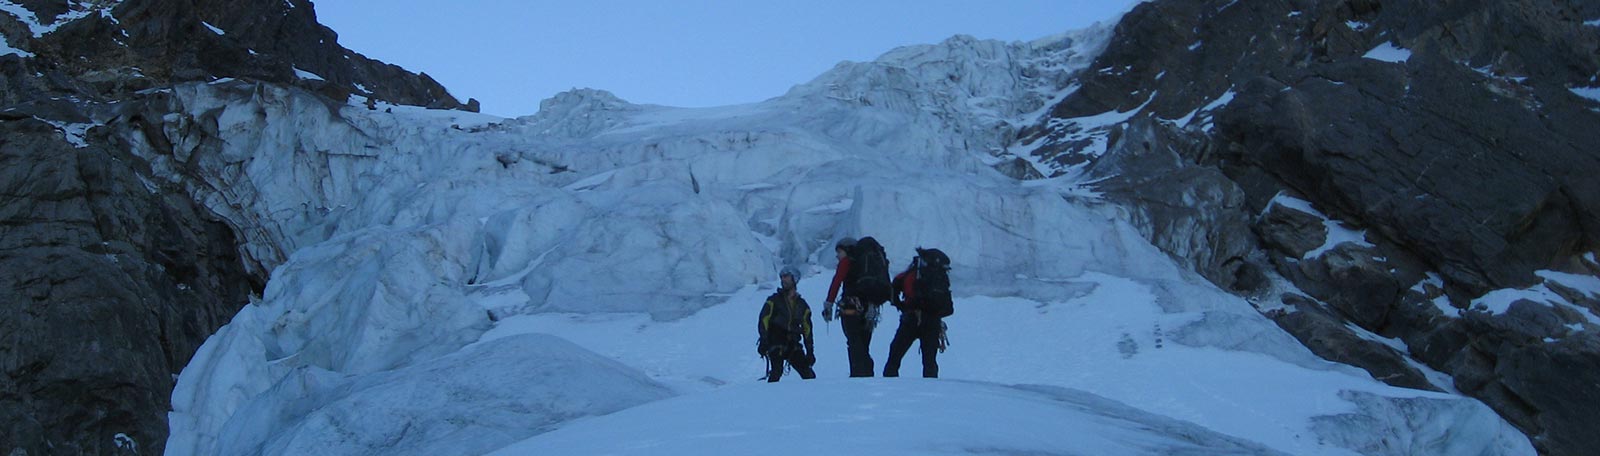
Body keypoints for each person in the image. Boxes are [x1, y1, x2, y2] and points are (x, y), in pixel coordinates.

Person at [822, 237, 889, 377]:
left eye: (839, 252)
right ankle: (867, 372)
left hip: (850, 306)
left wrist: (828, 304)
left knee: (853, 341)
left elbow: (837, 281)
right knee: (863, 343)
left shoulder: (847, 262)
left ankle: (857, 374)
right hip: (869, 307)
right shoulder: (868, 264)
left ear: (847, 250)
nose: (837, 256)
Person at [883, 248, 952, 378]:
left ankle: (889, 384)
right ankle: (931, 389)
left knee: (895, 354)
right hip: (933, 321)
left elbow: (895, 287)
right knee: (929, 360)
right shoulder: (941, 276)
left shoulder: (912, 274)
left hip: (911, 319)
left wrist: (901, 305)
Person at [757, 266, 816, 382]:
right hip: (775, 341)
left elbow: (807, 329)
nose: (783, 280)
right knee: (776, 372)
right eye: (782, 277)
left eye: (786, 277)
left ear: (795, 279)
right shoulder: (773, 300)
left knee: (808, 374)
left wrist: (810, 352)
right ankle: (768, 397)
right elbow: (763, 320)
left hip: (792, 343)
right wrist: (764, 340)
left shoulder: (802, 305)